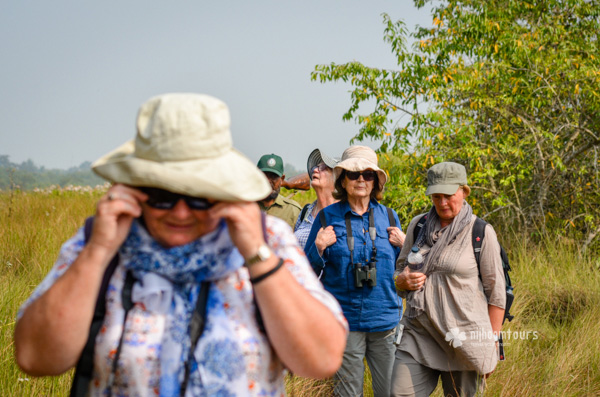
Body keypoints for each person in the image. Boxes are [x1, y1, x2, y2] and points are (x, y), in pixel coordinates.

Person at [14, 93, 348, 396]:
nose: (181, 211)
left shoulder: (267, 239)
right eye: (163, 194)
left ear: (223, 191)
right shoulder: (103, 240)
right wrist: (98, 253)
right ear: (135, 189)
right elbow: (34, 357)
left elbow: (322, 358)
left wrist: (256, 254)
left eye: (199, 196)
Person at [391, 161, 506, 397]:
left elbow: (496, 294)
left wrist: (492, 344)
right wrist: (402, 281)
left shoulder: (481, 232)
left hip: (463, 340)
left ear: (463, 191)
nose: (442, 203)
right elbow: (399, 272)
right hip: (418, 333)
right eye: (436, 196)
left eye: (449, 195)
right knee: (398, 393)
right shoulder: (418, 225)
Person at [304, 145, 405, 397]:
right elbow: (304, 269)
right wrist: (318, 247)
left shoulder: (390, 218)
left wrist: (407, 247)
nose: (361, 179)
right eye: (353, 174)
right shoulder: (327, 217)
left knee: (390, 392)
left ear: (376, 182)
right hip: (344, 320)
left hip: (385, 321)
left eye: (368, 174)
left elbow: (407, 270)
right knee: (347, 394)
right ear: (342, 179)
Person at [293, 148, 339, 248]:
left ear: (336, 178)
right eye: (315, 167)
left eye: (323, 168)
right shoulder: (306, 211)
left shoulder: (344, 213)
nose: (314, 170)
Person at [256, 153, 302, 229]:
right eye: (264, 176)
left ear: (282, 179)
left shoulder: (293, 211)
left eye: (273, 177)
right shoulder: (244, 205)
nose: (268, 181)